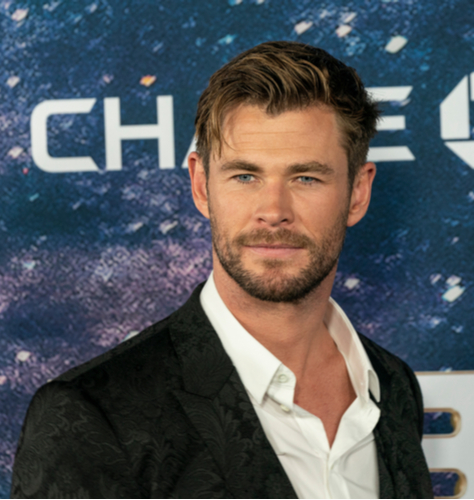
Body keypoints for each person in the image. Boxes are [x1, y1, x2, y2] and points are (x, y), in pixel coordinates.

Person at [11, 41, 433, 498]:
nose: (273, 211)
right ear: (201, 186)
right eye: (245, 176)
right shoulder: (91, 415)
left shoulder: (391, 385)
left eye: (306, 178)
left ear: (357, 193)